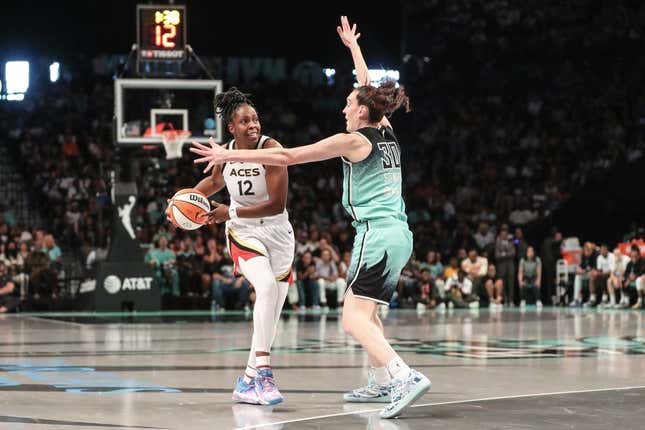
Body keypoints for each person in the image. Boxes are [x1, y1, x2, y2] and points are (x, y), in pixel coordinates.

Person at [191, 16, 431, 420]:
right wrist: (354, 48)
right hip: (399, 234)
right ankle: (379, 381)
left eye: (349, 104)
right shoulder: (386, 130)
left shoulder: (352, 139)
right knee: (369, 312)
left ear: (360, 112)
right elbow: (367, 85)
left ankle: (402, 375)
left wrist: (229, 154)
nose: (344, 107)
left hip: (375, 233)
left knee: (352, 319)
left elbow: (286, 157)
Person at [170, 87, 295, 406]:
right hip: (243, 232)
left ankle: (248, 380)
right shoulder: (225, 153)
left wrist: (230, 210)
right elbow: (212, 183)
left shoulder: (272, 149)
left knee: (273, 311)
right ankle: (265, 375)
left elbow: (277, 204)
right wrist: (181, 202)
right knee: (265, 288)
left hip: (278, 231)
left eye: (255, 119)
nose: (253, 124)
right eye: (245, 120)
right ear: (231, 127)